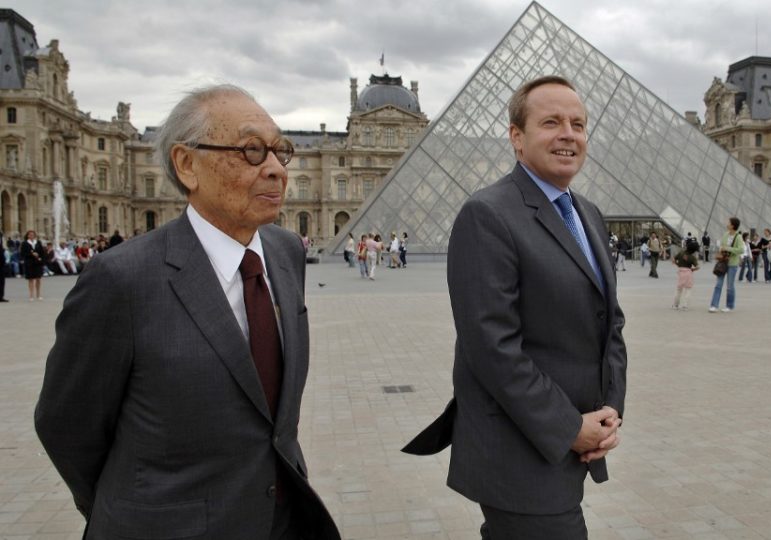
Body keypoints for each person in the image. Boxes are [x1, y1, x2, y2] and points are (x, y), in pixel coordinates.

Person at [34, 85, 340, 539]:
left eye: (282, 151)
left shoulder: (285, 251)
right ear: (186, 164)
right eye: (252, 151)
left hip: (281, 522)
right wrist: (132, 513)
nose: (277, 170)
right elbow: (66, 427)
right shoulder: (120, 279)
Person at [402, 76, 627, 539]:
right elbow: (492, 347)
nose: (569, 134)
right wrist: (569, 427)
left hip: (575, 437)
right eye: (551, 122)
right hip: (520, 449)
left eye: (579, 124)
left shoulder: (588, 212)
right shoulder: (487, 214)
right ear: (517, 137)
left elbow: (611, 322)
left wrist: (608, 413)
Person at [708, 217, 745, 313]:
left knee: (730, 286)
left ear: (733, 225)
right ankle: (714, 305)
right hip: (723, 262)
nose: (727, 223)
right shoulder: (725, 235)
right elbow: (721, 245)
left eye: (728, 222)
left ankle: (729, 306)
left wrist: (728, 249)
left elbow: (741, 250)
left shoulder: (738, 237)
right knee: (718, 284)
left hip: (732, 264)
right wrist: (721, 248)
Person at [672, 239, 700, 310]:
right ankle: (685, 306)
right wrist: (693, 269)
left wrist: (677, 264)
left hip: (681, 272)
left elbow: (673, 259)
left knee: (679, 289)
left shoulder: (681, 253)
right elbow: (698, 267)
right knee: (688, 289)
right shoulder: (692, 257)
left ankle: (675, 305)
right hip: (688, 273)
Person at [20, 230, 44, 301]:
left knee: (38, 279)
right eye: (30, 235)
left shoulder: (38, 242)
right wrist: (31, 254)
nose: (31, 236)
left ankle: (38, 294)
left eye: (33, 234)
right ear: (27, 236)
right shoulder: (25, 243)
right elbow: (23, 253)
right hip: (29, 263)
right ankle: (31, 295)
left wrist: (40, 257)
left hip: (37, 263)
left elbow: (42, 252)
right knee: (31, 279)